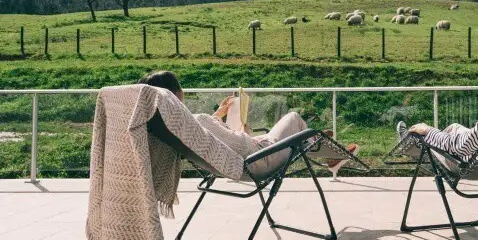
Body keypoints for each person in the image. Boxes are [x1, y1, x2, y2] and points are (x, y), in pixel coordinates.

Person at [137, 70, 357, 171]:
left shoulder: (167, 127)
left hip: (243, 161)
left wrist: (219, 116)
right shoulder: (198, 120)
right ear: (177, 94)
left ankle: (319, 144)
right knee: (294, 119)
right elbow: (241, 145)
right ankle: (326, 151)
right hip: (259, 160)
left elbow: (207, 137)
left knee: (292, 134)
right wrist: (244, 130)